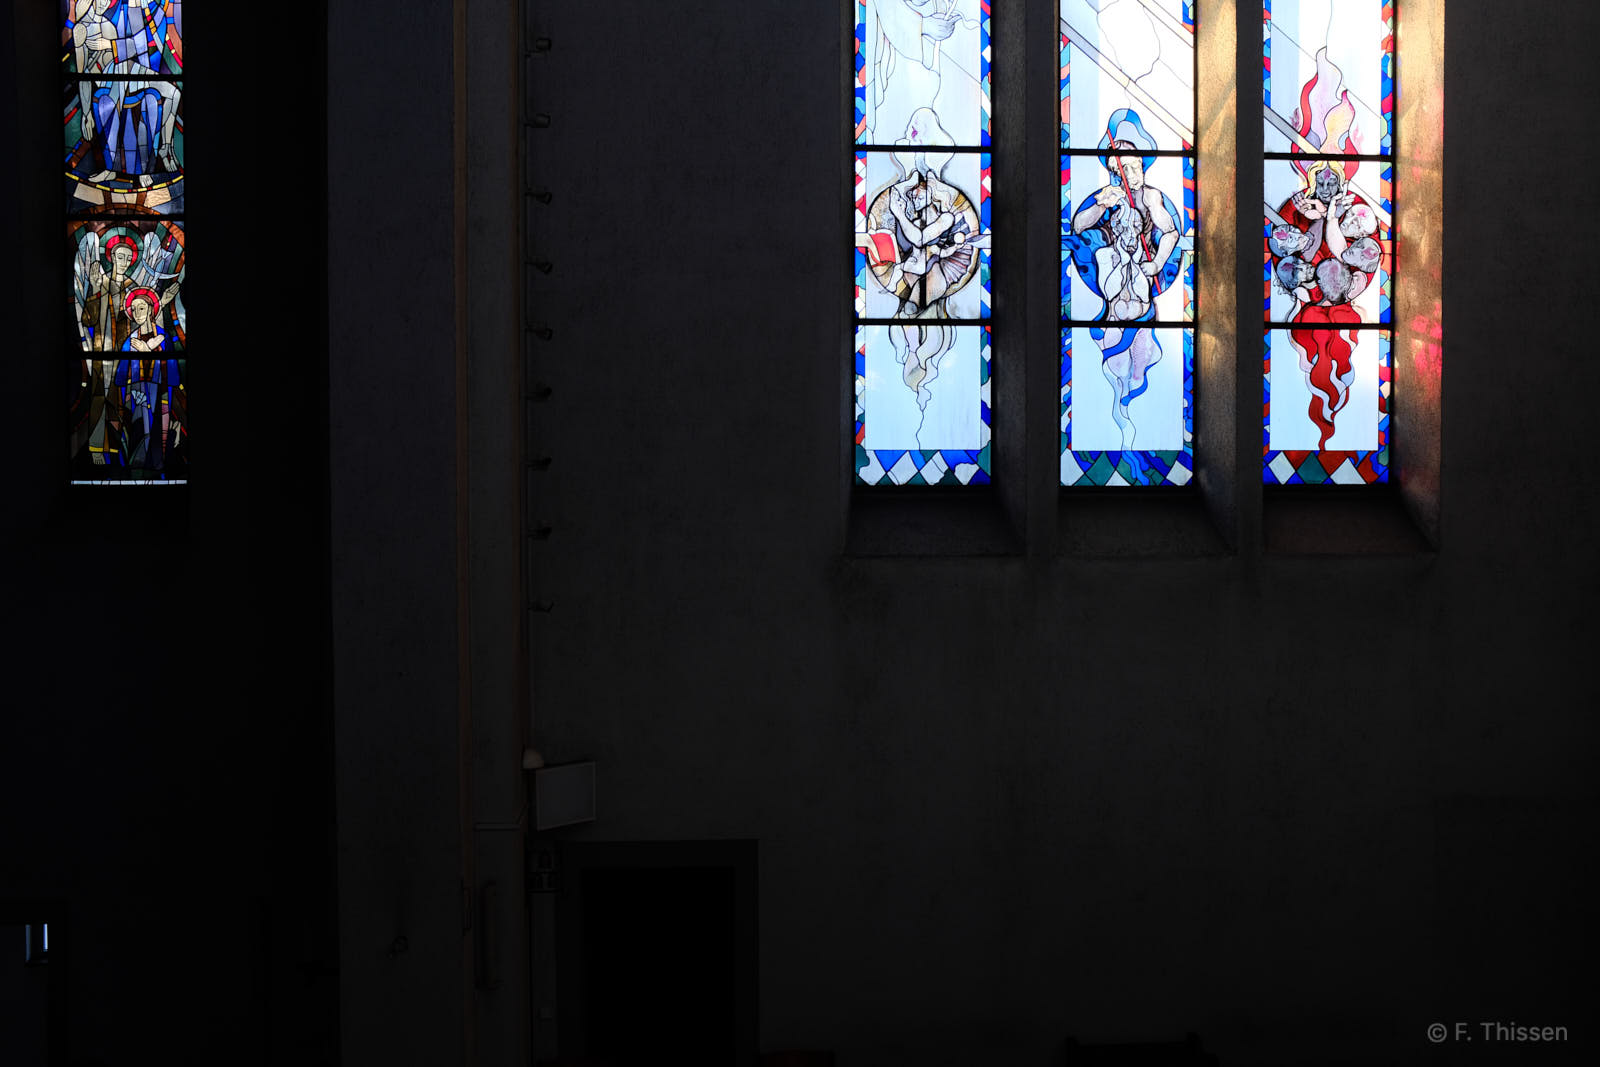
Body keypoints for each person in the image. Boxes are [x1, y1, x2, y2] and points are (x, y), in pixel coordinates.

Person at [1065, 115, 1185, 453]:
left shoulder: (1151, 198)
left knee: (1140, 364)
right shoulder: (1109, 197)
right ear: (1114, 172)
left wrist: (1156, 263)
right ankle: (1116, 415)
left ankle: (1134, 411)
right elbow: (1078, 226)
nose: (1132, 174)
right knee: (1115, 364)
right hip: (1114, 296)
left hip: (1142, 293)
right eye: (1124, 169)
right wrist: (1102, 203)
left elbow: (1170, 232)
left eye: (1136, 167)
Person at [1269, 159, 1381, 448]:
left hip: (1334, 299)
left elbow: (1344, 254)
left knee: (1333, 358)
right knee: (1318, 356)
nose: (1327, 187)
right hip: (1311, 304)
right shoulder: (1303, 216)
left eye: (1333, 182)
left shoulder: (1348, 225)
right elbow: (1298, 253)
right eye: (1322, 182)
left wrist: (1329, 217)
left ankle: (1334, 428)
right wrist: (1319, 218)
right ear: (1313, 183)